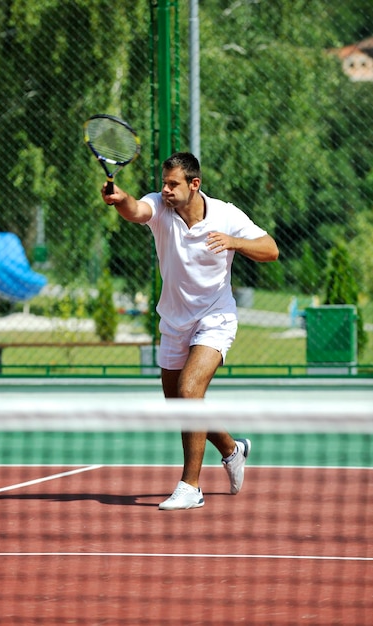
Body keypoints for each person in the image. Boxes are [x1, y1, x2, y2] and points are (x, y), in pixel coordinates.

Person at [101, 152, 279, 510]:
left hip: (216, 318)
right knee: (178, 404)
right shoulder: (160, 207)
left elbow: (271, 249)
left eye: (173, 184)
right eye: (163, 183)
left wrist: (235, 242)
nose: (165, 190)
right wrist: (120, 200)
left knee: (189, 388)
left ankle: (191, 486)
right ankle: (232, 448)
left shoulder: (226, 214)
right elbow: (136, 210)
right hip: (174, 321)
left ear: (194, 184)